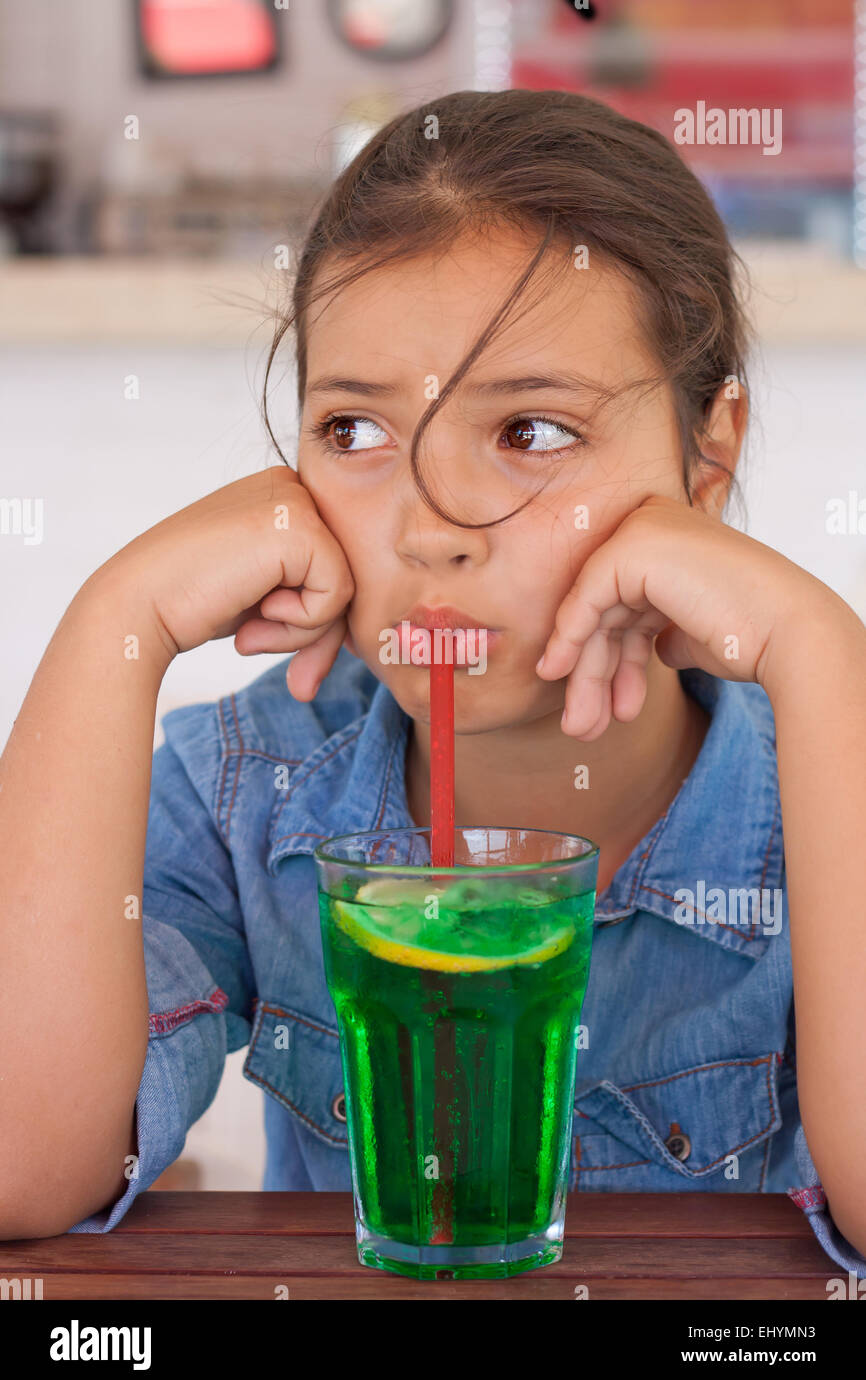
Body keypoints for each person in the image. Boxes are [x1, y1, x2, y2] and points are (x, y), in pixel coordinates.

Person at [1, 89, 864, 1278]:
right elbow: (19, 1160)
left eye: (531, 431)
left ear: (705, 457)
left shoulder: (824, 774)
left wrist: (821, 651)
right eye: (352, 432)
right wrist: (118, 619)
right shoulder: (246, 792)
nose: (431, 530)